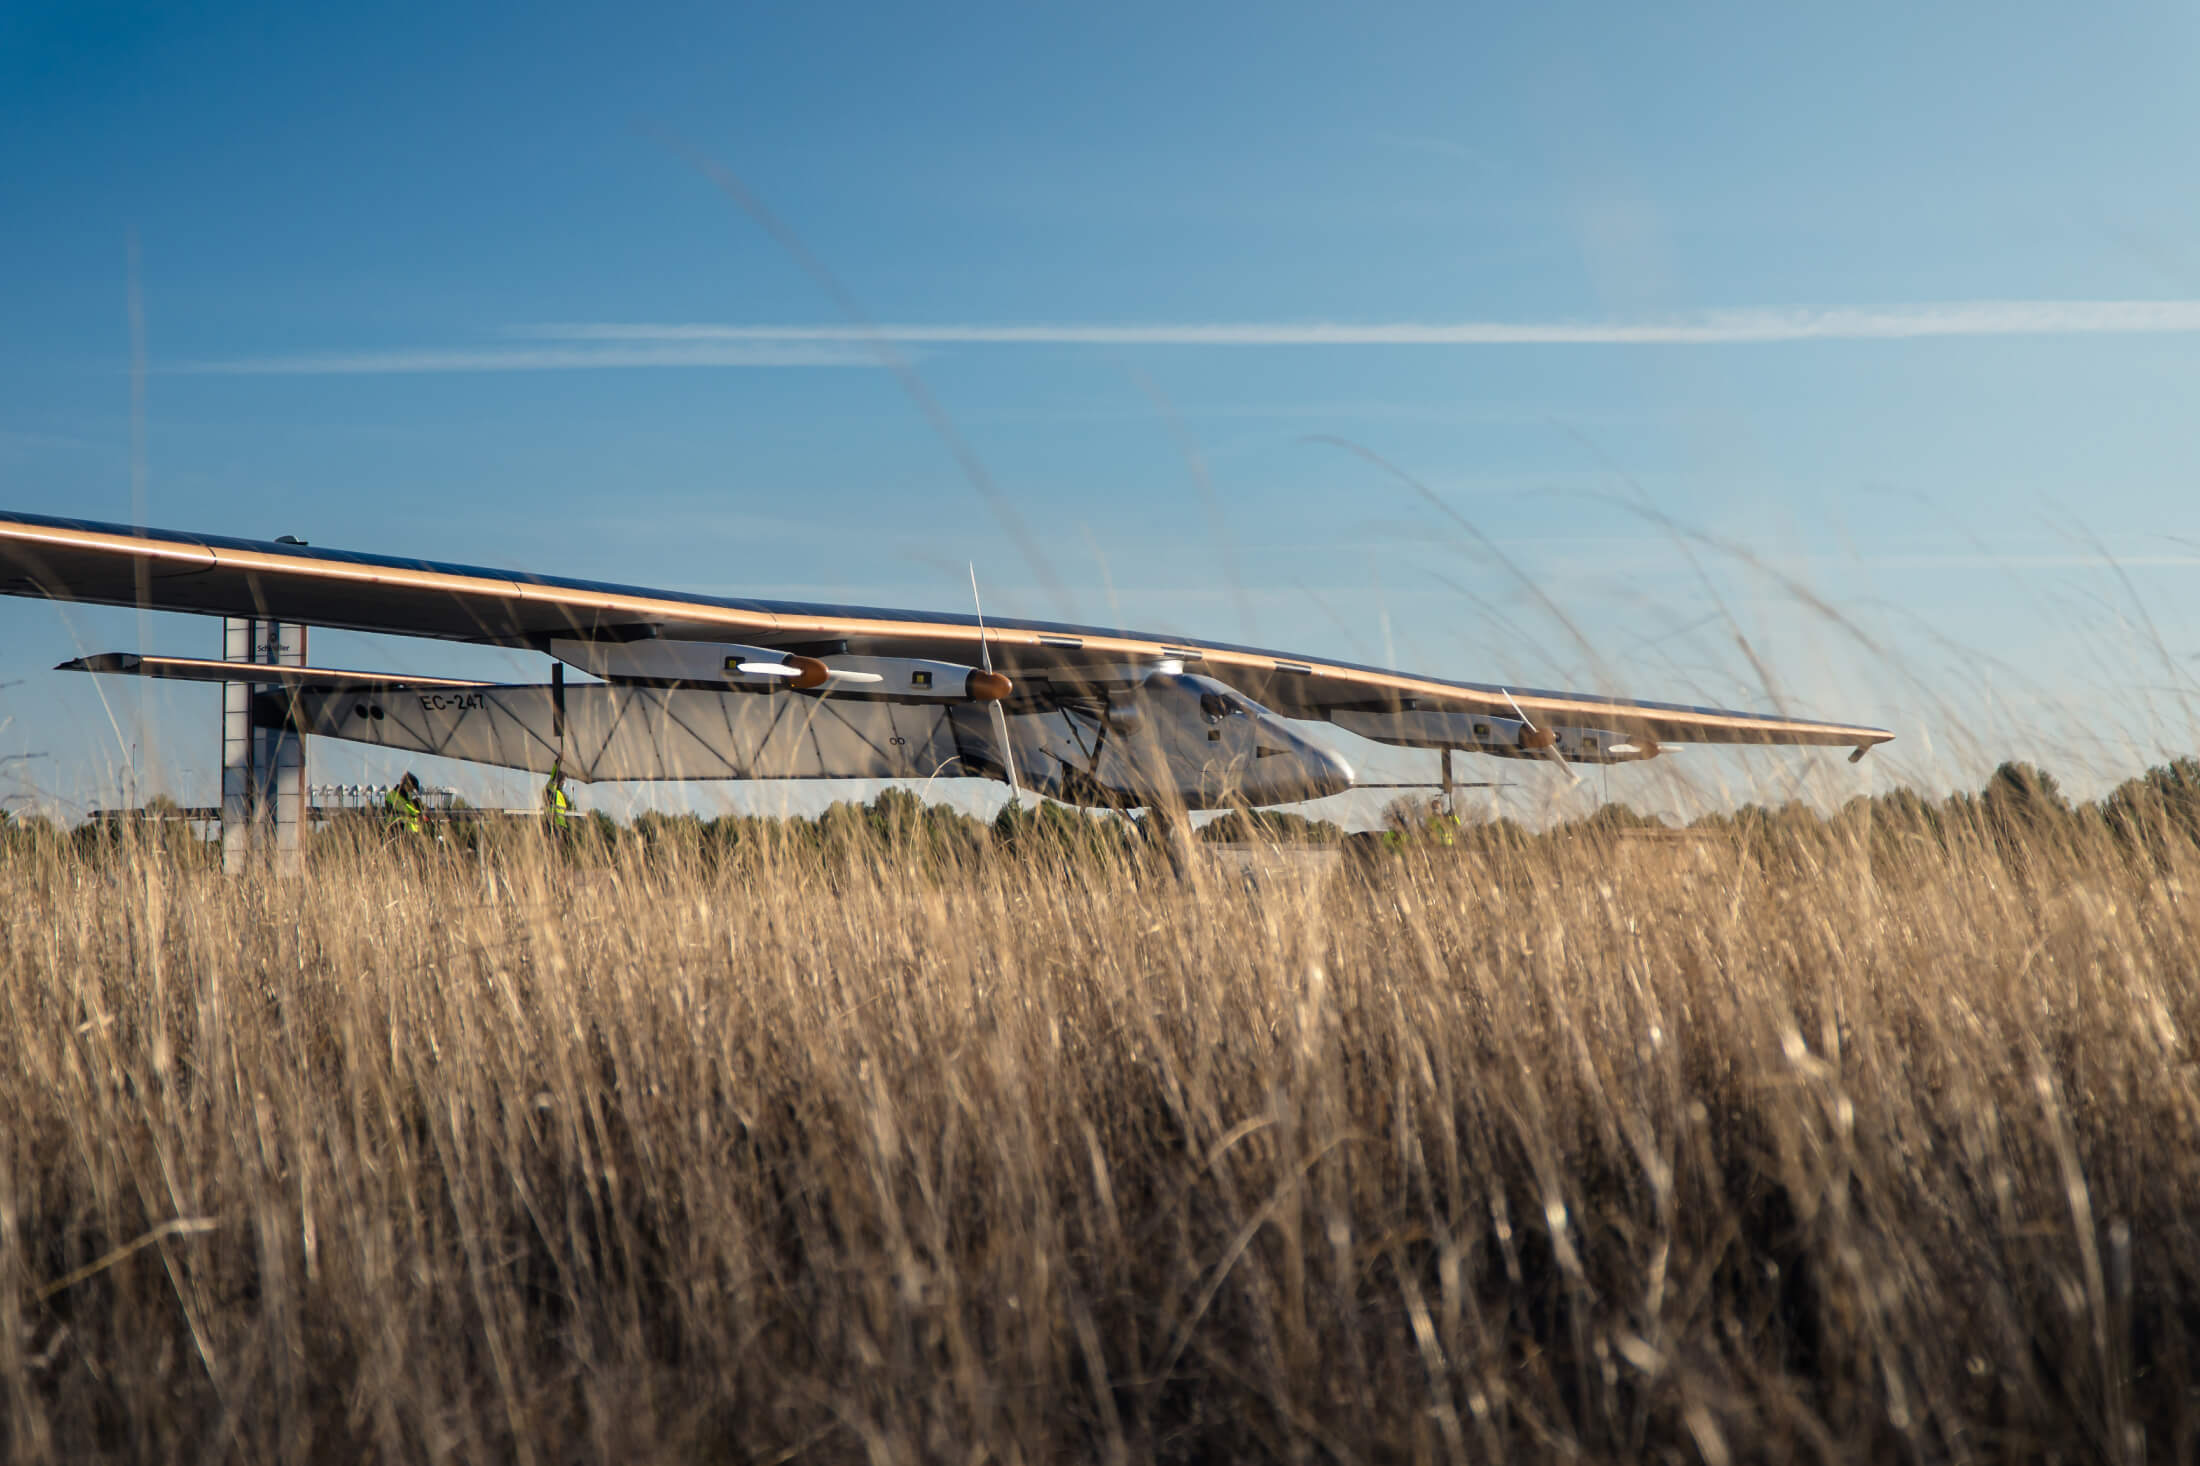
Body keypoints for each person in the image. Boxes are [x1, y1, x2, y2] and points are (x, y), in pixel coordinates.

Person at [384, 771, 426, 836]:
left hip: (410, 833)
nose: (411, 790)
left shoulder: (404, 797)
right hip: (397, 832)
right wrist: (417, 810)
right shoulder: (393, 796)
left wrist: (416, 803)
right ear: (406, 785)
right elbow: (406, 809)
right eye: (411, 788)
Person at [542, 759, 572, 834]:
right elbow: (553, 777)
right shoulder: (552, 791)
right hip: (552, 825)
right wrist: (557, 765)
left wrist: (564, 827)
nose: (564, 783)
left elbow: (561, 814)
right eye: (563, 780)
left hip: (559, 826)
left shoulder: (559, 794)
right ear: (558, 781)